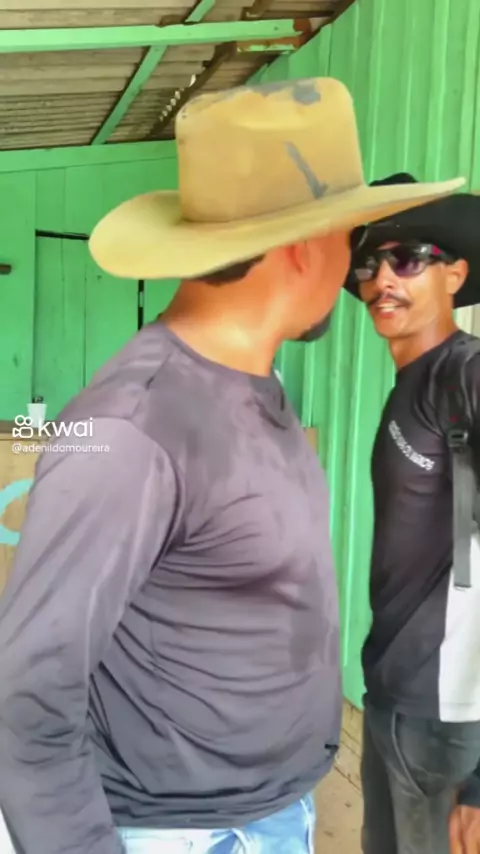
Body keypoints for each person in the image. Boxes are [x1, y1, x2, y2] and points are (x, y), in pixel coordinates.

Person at [0, 83, 461, 854]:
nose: (356, 271)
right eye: (353, 240)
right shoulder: (130, 430)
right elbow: (25, 701)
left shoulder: (251, 383)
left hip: (268, 815)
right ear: (303, 245)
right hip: (182, 834)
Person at [343, 173, 480, 854]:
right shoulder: (415, 383)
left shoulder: (463, 374)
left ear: (455, 274)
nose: (383, 279)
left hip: (448, 715)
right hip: (399, 696)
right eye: (370, 263)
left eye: (408, 258)